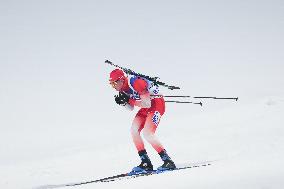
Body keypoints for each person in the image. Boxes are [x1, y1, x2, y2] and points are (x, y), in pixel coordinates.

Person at [109, 68, 176, 173]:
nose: (113, 87)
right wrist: (123, 102)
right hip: (146, 106)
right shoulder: (122, 89)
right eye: (111, 84)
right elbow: (130, 108)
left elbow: (147, 104)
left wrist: (129, 100)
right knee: (134, 130)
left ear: (121, 80)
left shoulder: (136, 82)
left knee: (148, 133)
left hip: (156, 104)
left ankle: (168, 161)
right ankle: (145, 162)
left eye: (114, 83)